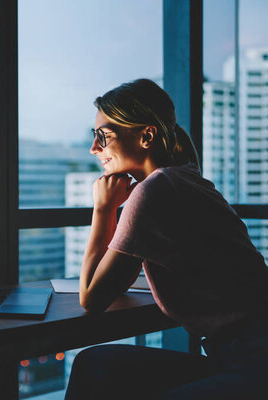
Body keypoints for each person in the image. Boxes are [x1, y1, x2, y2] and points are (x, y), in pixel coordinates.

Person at [64, 78, 268, 399]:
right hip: (244, 352)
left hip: (253, 362)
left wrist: (103, 209)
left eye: (103, 136)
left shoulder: (154, 191)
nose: (94, 149)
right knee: (96, 364)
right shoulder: (184, 180)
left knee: (97, 367)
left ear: (146, 135)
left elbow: (92, 298)